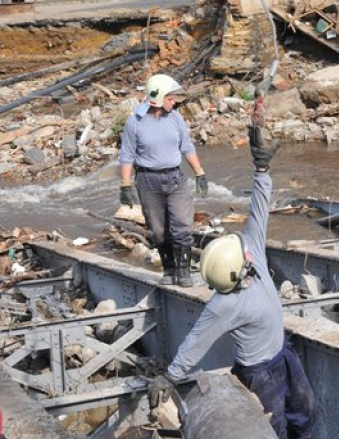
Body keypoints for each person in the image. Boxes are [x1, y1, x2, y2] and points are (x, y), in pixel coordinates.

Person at [149, 107, 317, 439]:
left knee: (306, 415)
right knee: (273, 429)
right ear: (237, 275)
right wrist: (169, 377)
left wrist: (262, 168)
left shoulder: (249, 251)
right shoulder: (224, 304)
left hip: (284, 356)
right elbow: (196, 341)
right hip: (258, 375)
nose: (248, 255)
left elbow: (259, 207)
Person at [119, 74, 208, 288]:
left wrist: (199, 173)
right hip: (148, 181)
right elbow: (127, 155)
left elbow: (187, 147)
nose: (174, 101)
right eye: (170, 98)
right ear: (157, 97)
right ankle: (169, 268)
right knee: (158, 231)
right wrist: (125, 184)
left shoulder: (176, 118)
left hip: (175, 178)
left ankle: (183, 271)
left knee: (182, 226)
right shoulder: (135, 122)